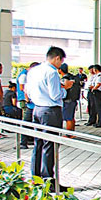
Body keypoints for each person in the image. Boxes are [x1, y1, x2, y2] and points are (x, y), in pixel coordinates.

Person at [25, 47, 73, 182]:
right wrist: (65, 88)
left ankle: (36, 177)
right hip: (50, 111)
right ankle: (48, 180)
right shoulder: (52, 72)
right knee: (49, 145)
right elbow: (55, 95)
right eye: (61, 61)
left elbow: (28, 91)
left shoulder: (33, 71)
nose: (61, 64)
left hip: (37, 109)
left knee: (38, 144)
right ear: (57, 58)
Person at [17, 62, 39, 149]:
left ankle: (27, 140)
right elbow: (23, 89)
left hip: (32, 104)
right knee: (27, 122)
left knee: (28, 123)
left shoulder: (30, 76)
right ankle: (25, 141)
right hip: (31, 104)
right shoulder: (25, 75)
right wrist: (27, 99)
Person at [59, 63, 82, 131]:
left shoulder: (65, 78)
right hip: (73, 99)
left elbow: (64, 88)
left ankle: (69, 134)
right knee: (71, 117)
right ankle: (72, 132)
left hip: (67, 100)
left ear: (60, 70)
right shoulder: (73, 77)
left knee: (68, 118)